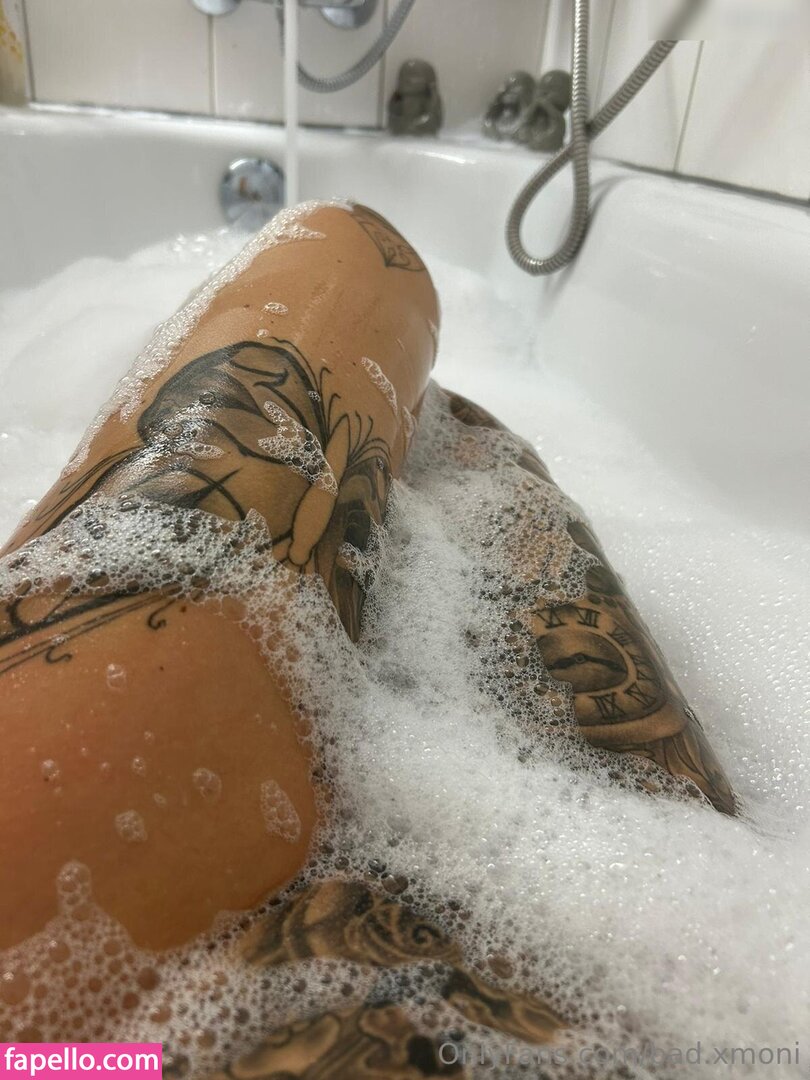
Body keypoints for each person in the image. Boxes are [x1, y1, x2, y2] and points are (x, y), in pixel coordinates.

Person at [0, 202, 734, 1071]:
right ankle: (450, 436)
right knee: (443, 402)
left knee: (350, 275)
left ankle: (442, 432)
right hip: (674, 961)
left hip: (104, 1012)